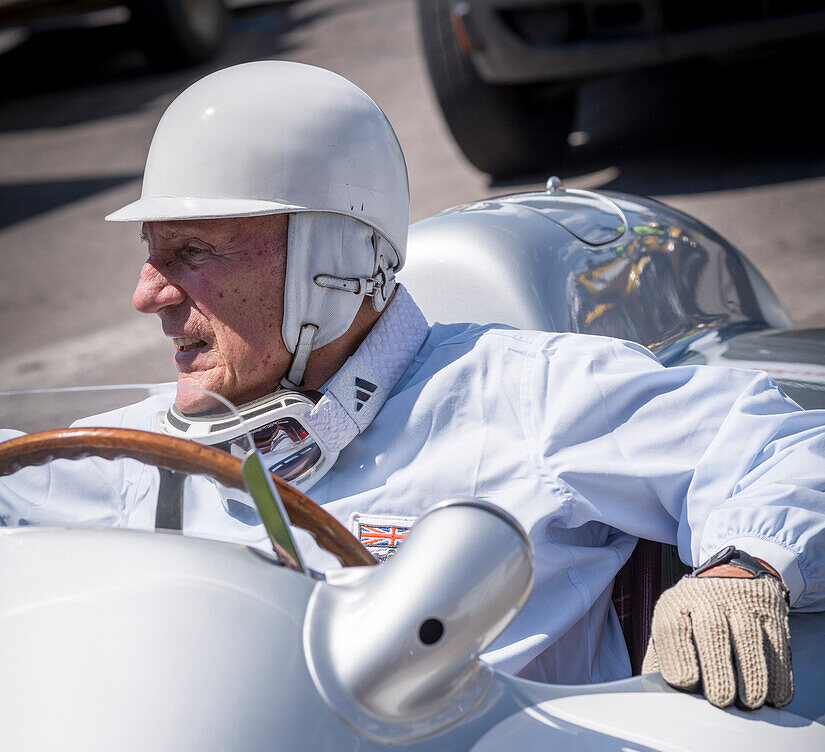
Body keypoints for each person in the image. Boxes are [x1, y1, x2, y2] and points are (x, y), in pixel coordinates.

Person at [8, 61, 825, 709]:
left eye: (192, 253)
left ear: (334, 266)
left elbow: (783, 446)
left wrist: (741, 571)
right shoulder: (150, 451)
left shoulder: (520, 394)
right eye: (151, 252)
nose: (147, 294)